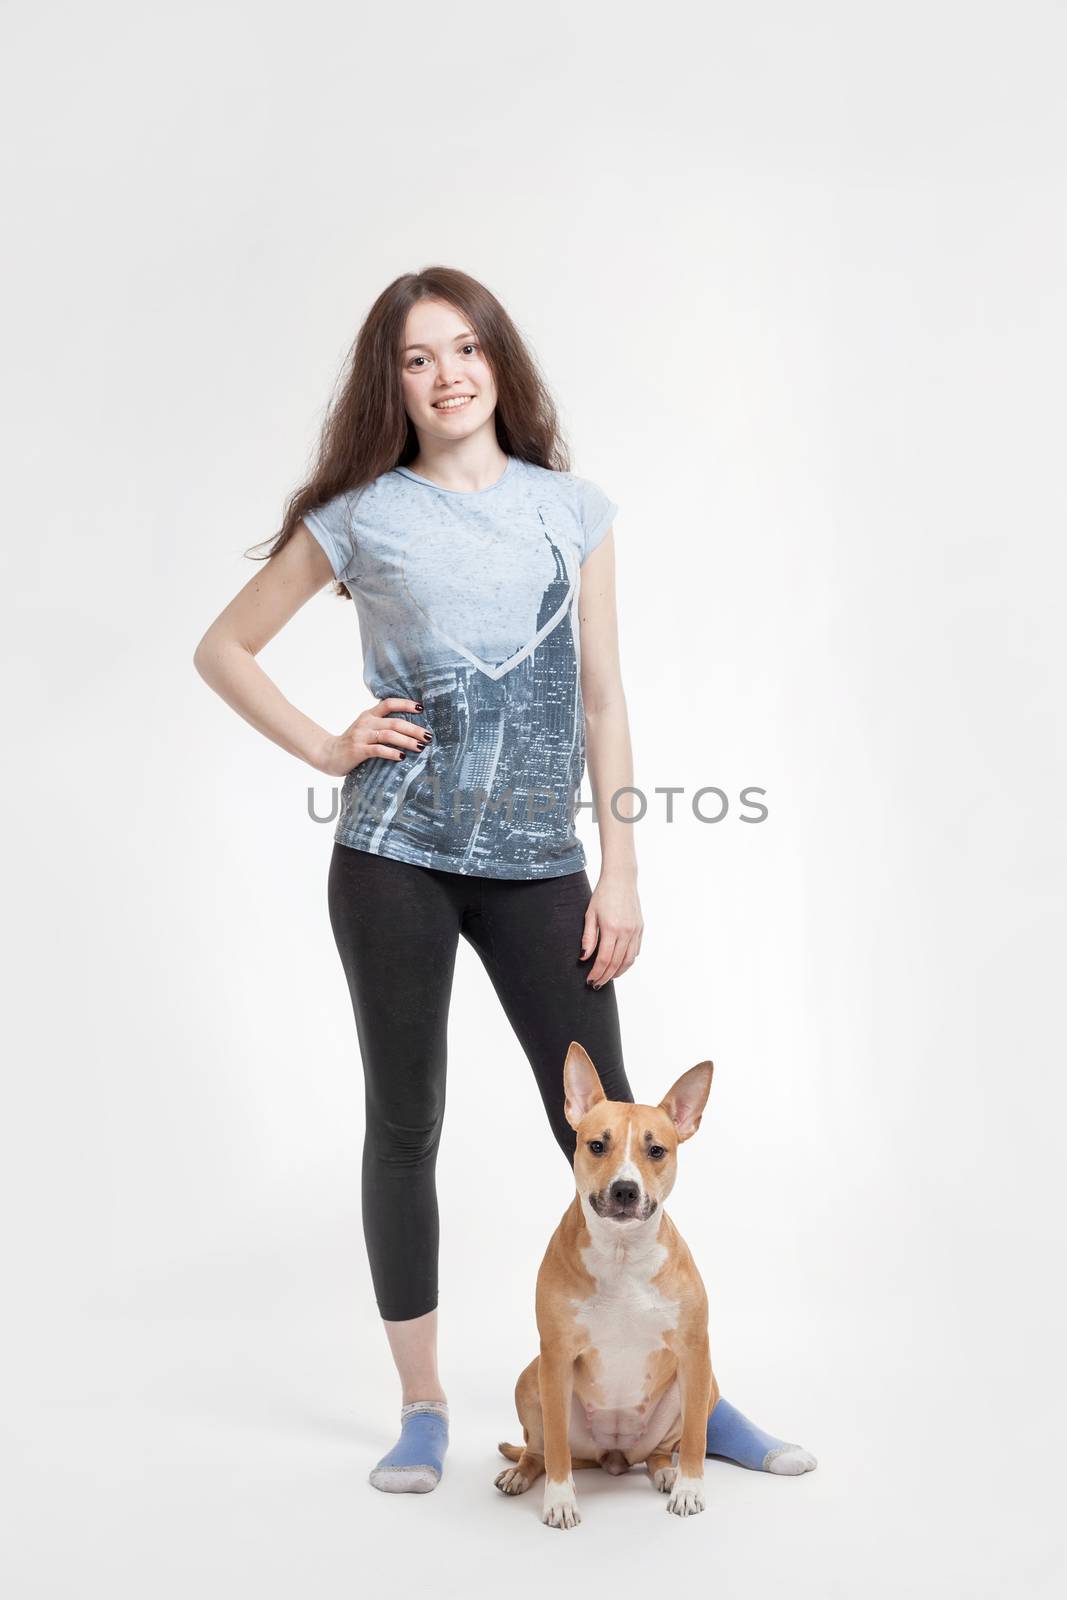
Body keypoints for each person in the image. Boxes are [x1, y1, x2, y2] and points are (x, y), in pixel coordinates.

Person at [193, 265, 815, 1493]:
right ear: (395, 383)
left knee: (611, 1119)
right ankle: (422, 1404)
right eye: (418, 358)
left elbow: (601, 694)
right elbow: (222, 646)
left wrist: (618, 866)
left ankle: (692, 1390)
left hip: (542, 866)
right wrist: (328, 745)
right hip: (393, 857)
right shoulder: (361, 515)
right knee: (406, 1121)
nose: (446, 375)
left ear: (498, 362)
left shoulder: (568, 508)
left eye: (464, 349)